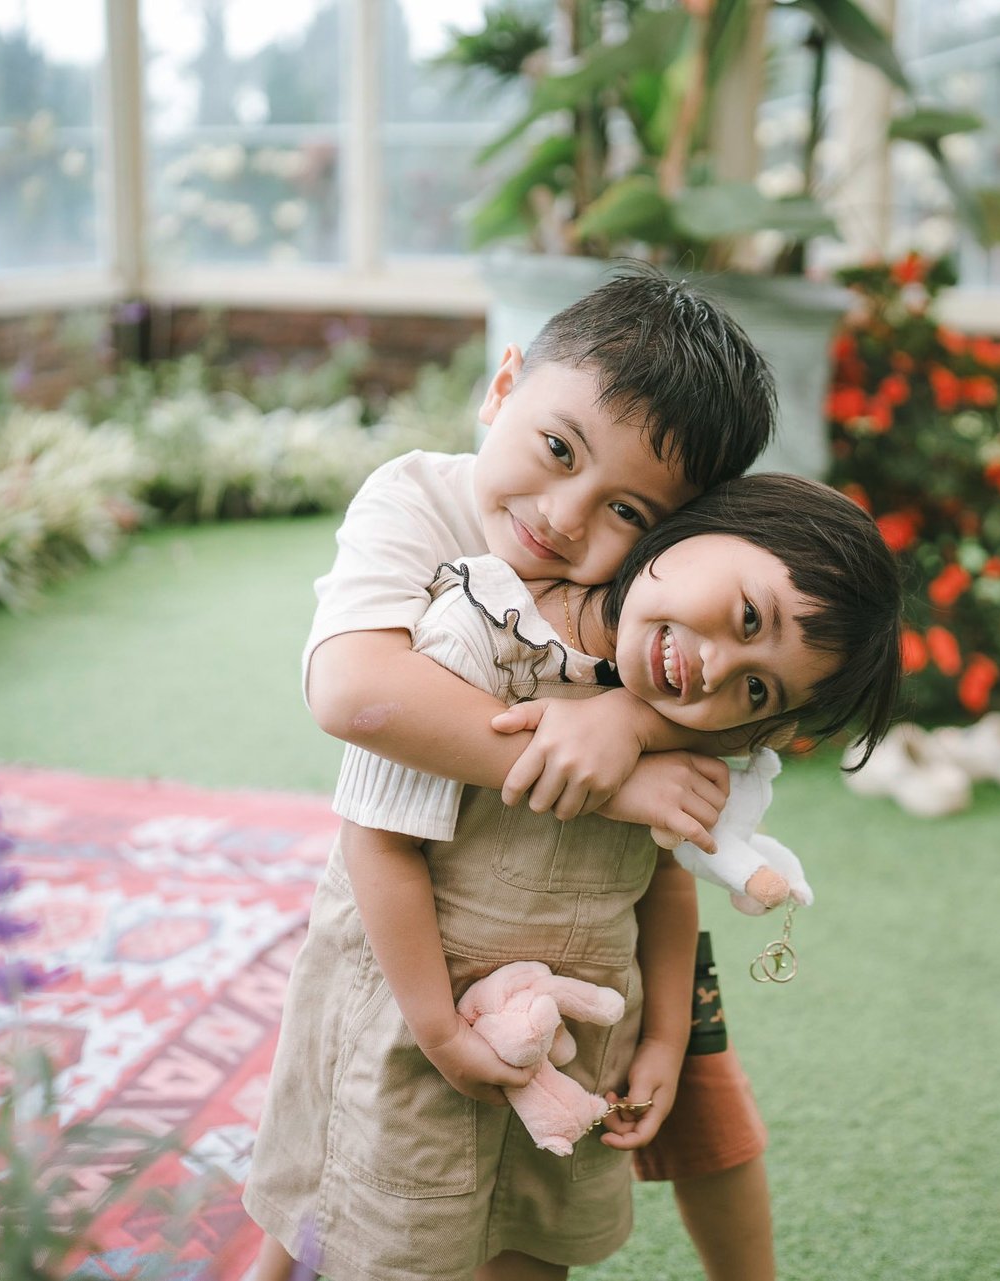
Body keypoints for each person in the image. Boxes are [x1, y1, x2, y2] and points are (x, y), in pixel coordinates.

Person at [246, 270, 781, 1281]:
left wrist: (631, 716)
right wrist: (607, 773)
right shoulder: (417, 501)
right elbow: (356, 691)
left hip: (579, 966)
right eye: (556, 449)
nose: (567, 517)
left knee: (536, 1207)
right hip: (416, 934)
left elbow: (696, 722)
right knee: (334, 1188)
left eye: (625, 507)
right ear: (503, 388)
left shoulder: (641, 593)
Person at [243, 475, 904, 1279]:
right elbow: (377, 842)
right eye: (747, 617)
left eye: (755, 687)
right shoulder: (484, 635)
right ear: (703, 521)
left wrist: (664, 1035)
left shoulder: (684, 728)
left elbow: (663, 878)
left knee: (532, 1238)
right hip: (414, 1027)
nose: (713, 668)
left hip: (572, 1057)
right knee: (364, 1224)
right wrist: (441, 1033)